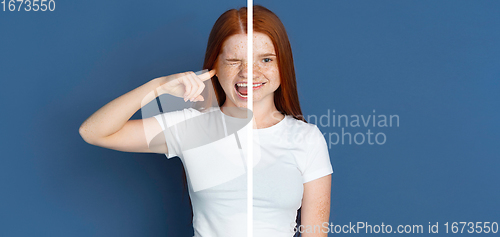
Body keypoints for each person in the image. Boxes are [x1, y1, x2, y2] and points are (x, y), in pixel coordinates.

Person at [79, 5, 333, 237]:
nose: (249, 73)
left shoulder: (307, 139)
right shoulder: (191, 127)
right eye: (234, 61)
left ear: (283, 65)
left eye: (265, 59)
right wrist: (157, 87)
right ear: (214, 67)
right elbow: (94, 132)